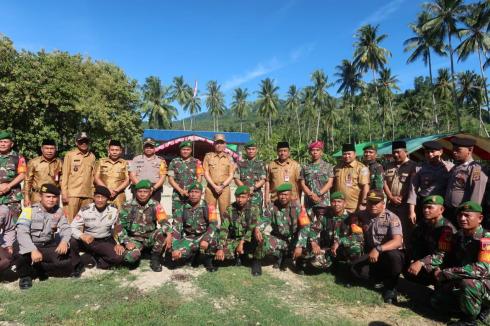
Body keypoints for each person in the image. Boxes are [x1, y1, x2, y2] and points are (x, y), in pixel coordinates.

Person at [432, 201, 490, 325]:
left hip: (484, 282)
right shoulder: (459, 236)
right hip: (465, 279)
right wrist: (438, 268)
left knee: (469, 283)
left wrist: (447, 273)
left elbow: (483, 268)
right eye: (460, 215)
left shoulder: (486, 239)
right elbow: (445, 255)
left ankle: (470, 321)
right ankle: (477, 310)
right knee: (437, 302)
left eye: (467, 215)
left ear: (480, 218)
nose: (462, 218)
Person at [351, 189, 404, 304]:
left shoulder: (392, 218)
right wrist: (353, 221)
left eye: (376, 202)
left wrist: (378, 249)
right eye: (370, 202)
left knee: (394, 256)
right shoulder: (362, 214)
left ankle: (391, 287)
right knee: (355, 269)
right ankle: (378, 279)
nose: (373, 205)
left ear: (383, 204)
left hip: (387, 253)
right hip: (372, 254)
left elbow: (398, 241)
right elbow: (352, 217)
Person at [15, 184, 73, 289]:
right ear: (40, 197)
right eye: (48, 196)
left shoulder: (59, 211)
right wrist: (32, 250)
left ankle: (38, 268)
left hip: (46, 245)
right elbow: (22, 232)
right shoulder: (29, 210)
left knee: (67, 265)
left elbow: (66, 228)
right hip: (30, 245)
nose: (51, 200)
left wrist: (64, 241)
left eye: (54, 197)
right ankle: (25, 276)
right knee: (21, 256)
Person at [299, 191, 364, 271]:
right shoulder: (325, 217)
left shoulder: (352, 218)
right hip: (329, 250)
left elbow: (358, 236)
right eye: (334, 202)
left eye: (339, 202)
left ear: (345, 204)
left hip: (343, 250)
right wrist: (314, 242)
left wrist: (340, 241)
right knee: (313, 262)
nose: (336, 204)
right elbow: (313, 229)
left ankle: (352, 268)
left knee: (356, 248)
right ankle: (331, 264)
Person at [255, 183, 311, 273]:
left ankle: (300, 262)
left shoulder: (298, 207)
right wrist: (258, 229)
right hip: (279, 239)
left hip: (294, 239)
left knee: (309, 245)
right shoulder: (272, 207)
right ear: (277, 195)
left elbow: (306, 227)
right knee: (262, 240)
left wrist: (300, 245)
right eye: (280, 194)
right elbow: (263, 220)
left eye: (285, 194)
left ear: (290, 195)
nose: (283, 197)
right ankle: (279, 255)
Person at [117, 179, 171, 272]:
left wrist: (169, 233)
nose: (142, 194)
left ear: (150, 192)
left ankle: (155, 258)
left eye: (145, 192)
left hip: (150, 237)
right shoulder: (127, 205)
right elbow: (120, 226)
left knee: (163, 232)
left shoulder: (156, 205)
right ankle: (140, 252)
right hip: (134, 238)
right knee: (130, 259)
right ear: (135, 192)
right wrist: (126, 242)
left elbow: (164, 221)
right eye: (140, 191)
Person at [405, 195, 456, 285]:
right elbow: (414, 243)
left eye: (430, 208)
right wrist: (412, 259)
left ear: (441, 210)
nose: (426, 210)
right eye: (424, 207)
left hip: (441, 265)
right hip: (427, 259)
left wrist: (421, 262)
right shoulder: (424, 223)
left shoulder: (447, 229)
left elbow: (442, 255)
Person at [70, 185, 124, 269]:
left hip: (104, 241)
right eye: (97, 197)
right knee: (72, 240)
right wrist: (82, 235)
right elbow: (72, 227)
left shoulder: (113, 210)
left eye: (103, 197)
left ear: (108, 199)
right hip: (88, 241)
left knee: (118, 257)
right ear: (93, 197)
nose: (100, 200)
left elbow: (117, 228)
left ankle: (95, 256)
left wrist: (119, 243)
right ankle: (76, 264)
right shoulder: (85, 210)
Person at [169, 182, 219, 272]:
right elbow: (176, 228)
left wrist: (206, 239)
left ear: (201, 194)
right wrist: (175, 248)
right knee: (179, 254)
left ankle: (208, 260)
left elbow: (213, 224)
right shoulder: (181, 208)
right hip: (189, 237)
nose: (193, 194)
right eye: (191, 192)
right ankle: (194, 255)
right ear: (188, 193)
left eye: (197, 192)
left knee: (214, 237)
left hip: (203, 236)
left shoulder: (209, 207)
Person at [215, 185, 261, 275]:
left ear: (248, 197)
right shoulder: (230, 209)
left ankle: (256, 261)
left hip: (249, 240)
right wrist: (220, 248)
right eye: (238, 197)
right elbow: (224, 228)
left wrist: (242, 242)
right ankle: (238, 256)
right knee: (215, 248)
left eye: (243, 197)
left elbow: (252, 227)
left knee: (260, 236)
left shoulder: (254, 208)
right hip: (234, 240)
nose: (240, 200)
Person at [407, 141, 453, 224]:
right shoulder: (419, 168)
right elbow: (413, 190)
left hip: (442, 204)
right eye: (427, 152)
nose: (430, 154)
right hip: (425, 203)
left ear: (441, 152)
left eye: (432, 152)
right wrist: (412, 211)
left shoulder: (449, 167)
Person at [445, 137, 488, 225]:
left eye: (458, 150)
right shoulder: (455, 167)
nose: (454, 152)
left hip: (463, 214)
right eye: (453, 149)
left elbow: (476, 195)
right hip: (449, 210)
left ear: (470, 150)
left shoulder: (476, 169)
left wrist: (470, 214)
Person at [384, 140, 417, 244]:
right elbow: (384, 182)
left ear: (406, 152)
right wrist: (390, 197)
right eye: (394, 152)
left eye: (398, 152)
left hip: (405, 205)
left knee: (406, 231)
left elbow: (413, 186)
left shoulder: (413, 166)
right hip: (391, 204)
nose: (396, 155)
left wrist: (402, 197)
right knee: (391, 230)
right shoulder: (388, 166)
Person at [61, 132, 96, 222]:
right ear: (76, 142)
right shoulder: (70, 155)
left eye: (86, 141)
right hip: (73, 194)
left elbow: (93, 176)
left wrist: (93, 193)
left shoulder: (92, 156)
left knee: (85, 221)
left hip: (87, 195)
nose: (84, 144)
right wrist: (64, 193)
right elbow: (65, 175)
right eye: (81, 141)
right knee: (70, 221)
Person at [299, 140, 334, 221]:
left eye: (317, 150)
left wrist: (318, 194)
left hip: (323, 202)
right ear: (310, 152)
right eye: (313, 150)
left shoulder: (328, 166)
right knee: (308, 225)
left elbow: (330, 183)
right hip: (309, 202)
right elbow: (302, 183)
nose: (315, 152)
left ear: (321, 152)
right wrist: (311, 195)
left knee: (323, 225)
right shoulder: (305, 167)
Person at [203, 133, 235, 217]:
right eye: (217, 143)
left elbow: (231, 174)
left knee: (225, 213)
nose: (219, 145)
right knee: (209, 212)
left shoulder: (229, 158)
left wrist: (222, 186)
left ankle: (224, 230)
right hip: (211, 188)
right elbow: (206, 172)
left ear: (225, 144)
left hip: (224, 188)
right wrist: (214, 186)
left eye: (221, 143)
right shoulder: (208, 156)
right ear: (214, 144)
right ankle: (210, 229)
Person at [23, 139, 62, 206]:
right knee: (36, 215)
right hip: (37, 196)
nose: (49, 151)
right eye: (46, 148)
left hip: (53, 197)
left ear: (55, 149)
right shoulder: (33, 162)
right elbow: (27, 180)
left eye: (52, 148)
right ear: (42, 149)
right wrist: (26, 197)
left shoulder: (60, 162)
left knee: (53, 216)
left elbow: (62, 180)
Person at [167, 141, 203, 214]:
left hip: (192, 194)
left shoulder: (197, 162)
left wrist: (191, 190)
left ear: (191, 150)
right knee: (177, 217)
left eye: (188, 149)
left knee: (191, 216)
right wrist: (180, 190)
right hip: (177, 194)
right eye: (183, 149)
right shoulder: (174, 162)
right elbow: (170, 179)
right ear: (180, 150)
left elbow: (199, 177)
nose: (185, 151)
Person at [333, 143, 369, 212]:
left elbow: (365, 186)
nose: (347, 156)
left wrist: (364, 203)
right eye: (344, 154)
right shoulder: (337, 167)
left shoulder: (361, 168)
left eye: (349, 154)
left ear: (355, 154)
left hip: (354, 207)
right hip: (339, 207)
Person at [129, 137, 167, 203]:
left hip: (155, 189)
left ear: (154, 148)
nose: (148, 149)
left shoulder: (161, 160)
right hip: (139, 188)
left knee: (154, 210)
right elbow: (132, 175)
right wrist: (141, 187)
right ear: (143, 148)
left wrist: (153, 188)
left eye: (151, 147)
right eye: (146, 147)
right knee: (137, 210)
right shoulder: (136, 159)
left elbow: (163, 177)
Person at [94, 140, 129, 209]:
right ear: (108, 150)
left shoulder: (125, 163)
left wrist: (116, 191)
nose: (114, 152)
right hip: (103, 195)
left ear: (121, 151)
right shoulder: (101, 161)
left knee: (120, 216)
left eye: (117, 150)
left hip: (119, 195)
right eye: (112, 150)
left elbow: (128, 179)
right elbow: (96, 178)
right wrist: (107, 190)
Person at [0, 131, 26, 223]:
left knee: (13, 225)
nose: (2, 144)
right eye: (1, 141)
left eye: (5, 142)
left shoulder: (18, 157)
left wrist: (8, 186)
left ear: (11, 144)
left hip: (12, 198)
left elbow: (22, 174)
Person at [234, 140, 266, 208]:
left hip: (256, 195)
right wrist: (245, 189)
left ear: (256, 150)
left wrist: (253, 188)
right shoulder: (240, 163)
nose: (251, 151)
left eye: (253, 149)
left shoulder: (261, 163)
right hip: (243, 196)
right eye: (249, 149)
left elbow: (263, 179)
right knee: (242, 215)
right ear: (245, 150)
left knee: (256, 216)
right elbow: (236, 178)